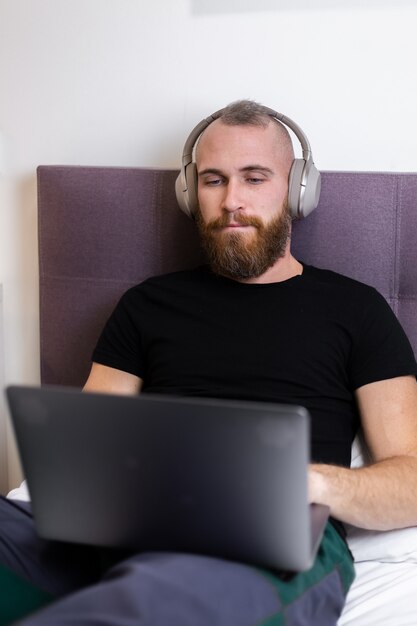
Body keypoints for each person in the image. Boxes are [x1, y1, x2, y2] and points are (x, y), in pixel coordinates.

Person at [1, 100, 417, 625]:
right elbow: (86, 448)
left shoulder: (355, 309)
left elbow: (412, 479)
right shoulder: (145, 305)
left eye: (255, 178)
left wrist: (309, 483)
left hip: (272, 540)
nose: (231, 201)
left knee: (165, 600)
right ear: (190, 192)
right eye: (214, 180)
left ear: (297, 190)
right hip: (130, 522)